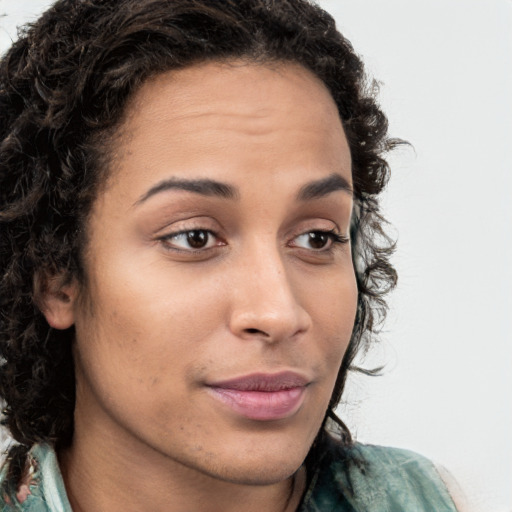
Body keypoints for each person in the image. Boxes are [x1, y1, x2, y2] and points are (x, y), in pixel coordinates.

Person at [0, 0, 466, 510]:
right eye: (194, 237)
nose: (279, 313)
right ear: (55, 275)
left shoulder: (426, 498)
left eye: (316, 237)